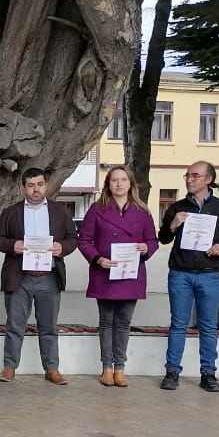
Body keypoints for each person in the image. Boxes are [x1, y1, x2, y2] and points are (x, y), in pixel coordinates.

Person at [157, 161, 219, 393]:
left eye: (195, 175)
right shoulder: (176, 207)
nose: (189, 179)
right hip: (180, 273)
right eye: (187, 175)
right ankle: (172, 372)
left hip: (210, 274)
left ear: (208, 179)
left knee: (208, 325)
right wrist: (173, 225)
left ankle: (208, 373)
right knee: (178, 324)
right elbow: (163, 238)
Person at [0, 168, 79, 385]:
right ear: (23, 188)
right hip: (19, 277)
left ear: (46, 186)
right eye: (30, 185)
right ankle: (9, 367)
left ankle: (52, 368)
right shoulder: (11, 212)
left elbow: (73, 238)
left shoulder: (60, 211)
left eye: (39, 184)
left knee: (49, 325)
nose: (35, 189)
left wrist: (62, 247)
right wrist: (13, 245)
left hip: (49, 276)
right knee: (15, 324)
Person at [78, 166, 159, 387]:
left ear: (131, 184)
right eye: (114, 180)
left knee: (124, 322)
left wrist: (146, 247)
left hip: (131, 274)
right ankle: (106, 368)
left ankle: (120, 369)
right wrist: (98, 259)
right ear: (108, 184)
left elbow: (153, 240)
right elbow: (84, 241)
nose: (119, 184)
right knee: (106, 322)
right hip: (105, 272)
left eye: (124, 180)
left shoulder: (143, 211)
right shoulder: (97, 209)